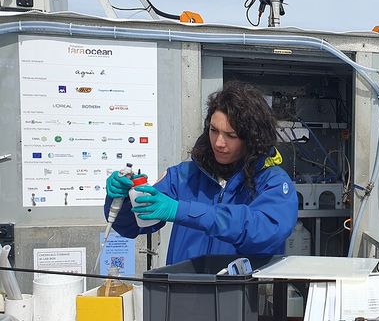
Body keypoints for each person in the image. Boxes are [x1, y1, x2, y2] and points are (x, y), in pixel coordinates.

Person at [104, 81, 298, 265]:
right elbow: (134, 225)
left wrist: (183, 211)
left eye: (231, 135)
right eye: (214, 130)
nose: (219, 143)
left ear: (253, 138)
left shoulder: (273, 182)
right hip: (183, 292)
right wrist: (122, 199)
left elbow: (264, 231)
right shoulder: (183, 176)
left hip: (239, 295)